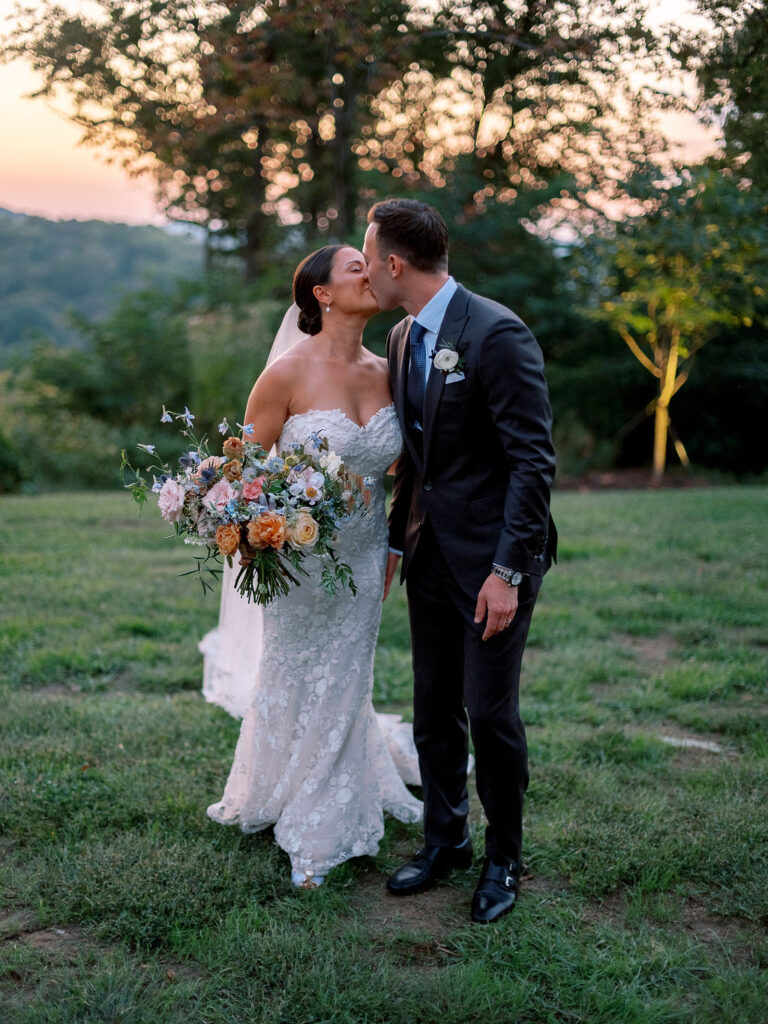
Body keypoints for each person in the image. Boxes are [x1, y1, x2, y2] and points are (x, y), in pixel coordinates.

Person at [362, 199, 557, 923]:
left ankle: (505, 859)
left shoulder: (497, 333)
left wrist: (507, 574)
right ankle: (446, 839)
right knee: (434, 708)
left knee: (490, 713)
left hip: (493, 563)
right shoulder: (404, 333)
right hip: (428, 557)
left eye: (367, 252)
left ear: (394, 263)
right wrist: (392, 541)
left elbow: (533, 465)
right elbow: (417, 459)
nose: (364, 267)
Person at [204, 244, 422, 888]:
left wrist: (392, 543)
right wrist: (272, 527)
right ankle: (305, 818)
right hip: (300, 559)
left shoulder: (392, 371)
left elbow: (403, 463)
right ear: (321, 293)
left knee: (348, 672)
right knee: (296, 667)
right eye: (355, 266)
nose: (371, 272)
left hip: (363, 556)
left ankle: (328, 802)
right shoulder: (285, 375)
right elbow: (244, 475)